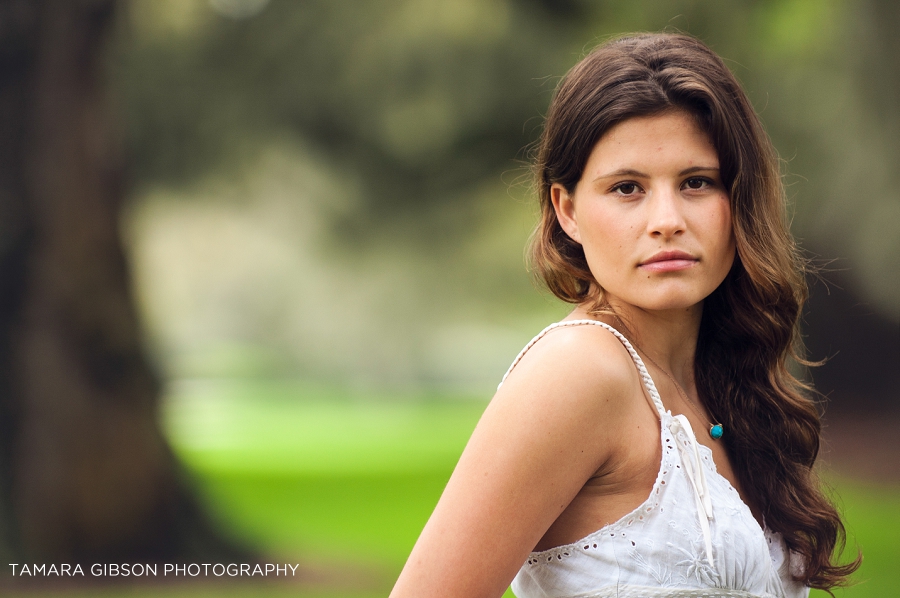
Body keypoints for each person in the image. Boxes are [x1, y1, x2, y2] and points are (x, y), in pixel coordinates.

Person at [390, 33, 858, 598]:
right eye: (628, 188)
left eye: (696, 182)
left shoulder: (725, 385)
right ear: (568, 211)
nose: (666, 219)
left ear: (739, 196)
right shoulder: (579, 371)